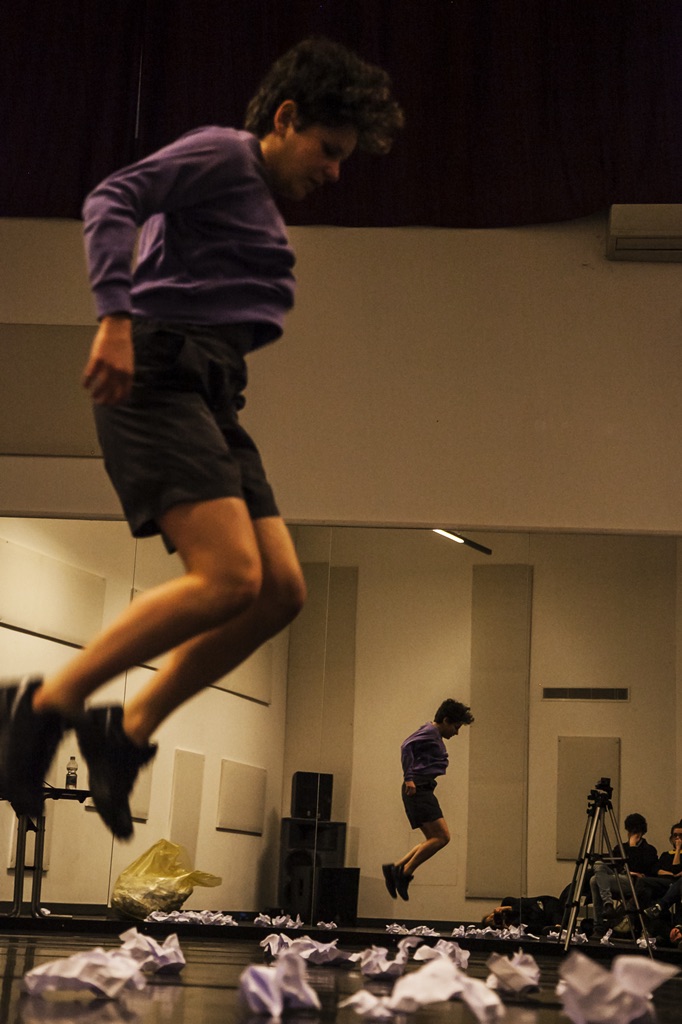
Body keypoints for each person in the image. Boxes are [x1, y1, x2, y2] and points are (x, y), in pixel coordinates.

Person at [0, 38, 403, 840]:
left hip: (213, 395)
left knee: (280, 590)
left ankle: (127, 729)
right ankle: (41, 706)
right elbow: (112, 199)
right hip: (158, 373)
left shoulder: (253, 201)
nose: (335, 172)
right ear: (284, 119)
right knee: (226, 577)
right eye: (329, 150)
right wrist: (115, 317)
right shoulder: (226, 156)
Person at [382, 698, 474, 901]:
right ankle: (404, 873)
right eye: (456, 727)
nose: (456, 733)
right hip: (418, 788)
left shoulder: (433, 733)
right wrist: (409, 778)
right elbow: (406, 746)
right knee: (442, 837)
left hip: (424, 788)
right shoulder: (431, 731)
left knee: (434, 838)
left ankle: (396, 868)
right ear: (446, 720)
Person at [588, 812, 658, 937]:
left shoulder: (649, 850)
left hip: (634, 883)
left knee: (594, 881)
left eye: (635, 831)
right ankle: (608, 904)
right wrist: (625, 870)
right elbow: (614, 865)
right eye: (630, 831)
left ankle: (599, 925)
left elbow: (643, 869)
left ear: (641, 832)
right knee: (598, 865)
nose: (631, 834)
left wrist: (633, 847)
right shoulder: (620, 847)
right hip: (619, 876)